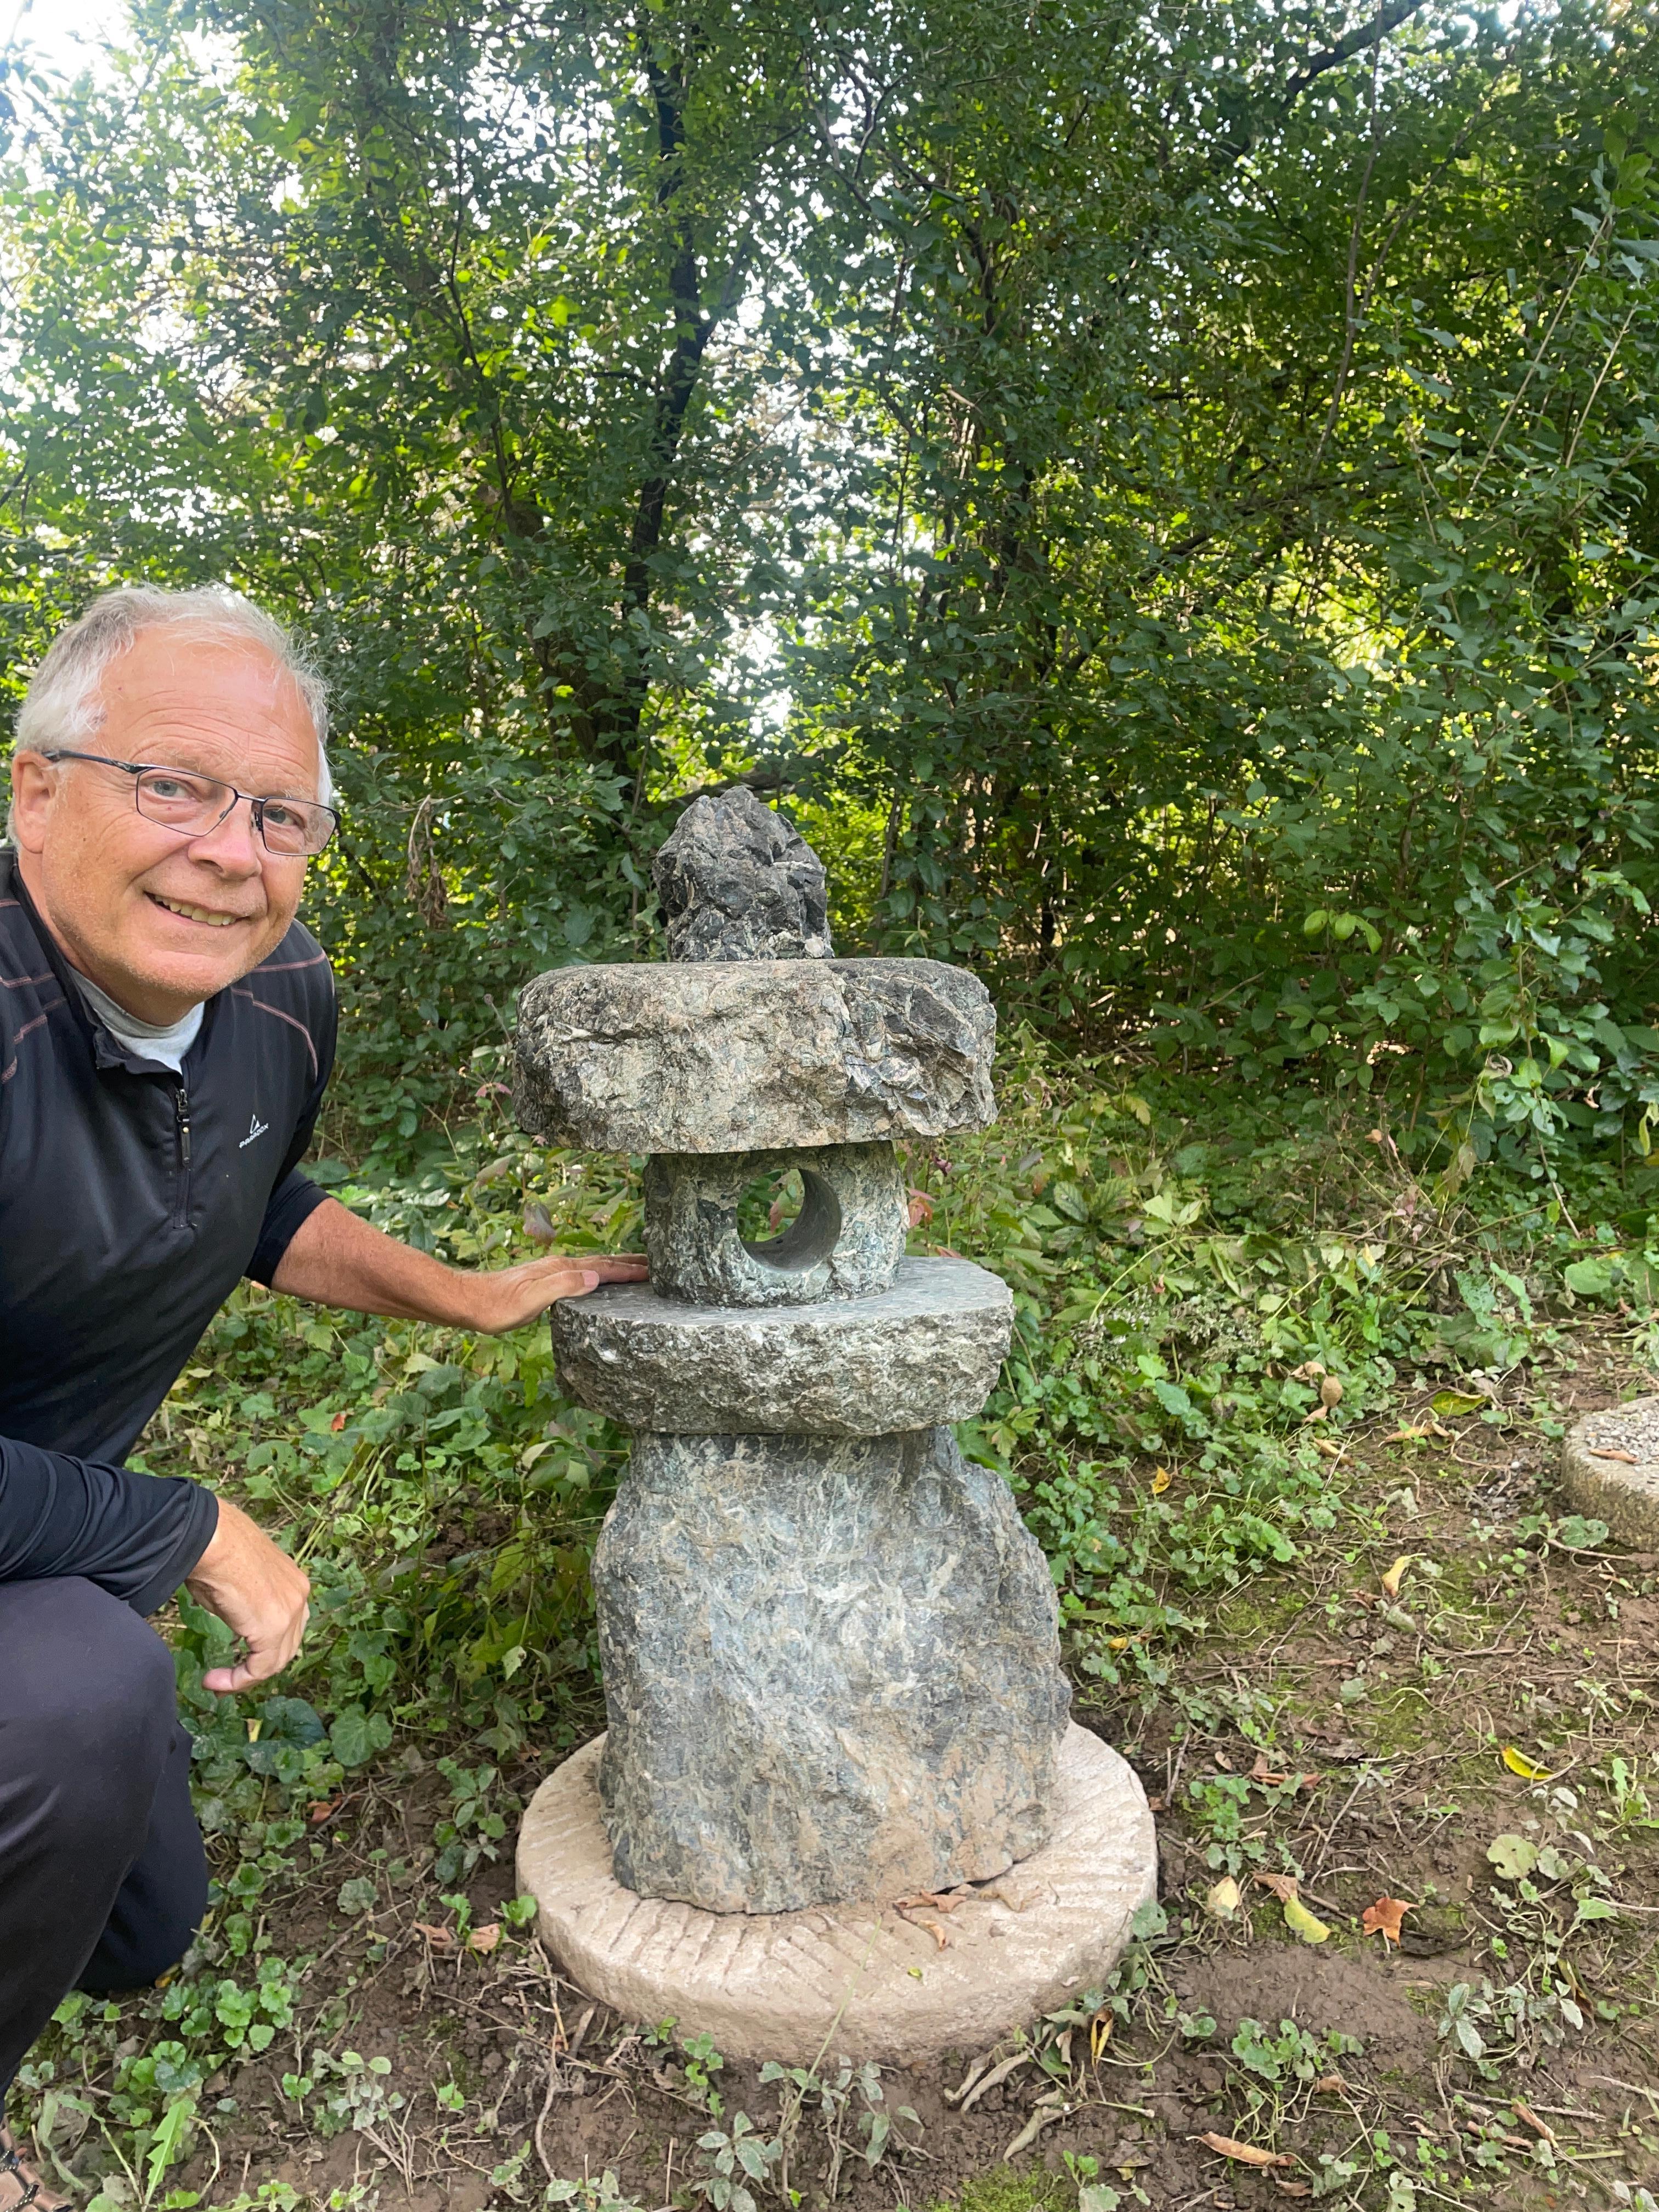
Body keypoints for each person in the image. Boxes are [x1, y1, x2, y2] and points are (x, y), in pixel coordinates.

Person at [0, 586, 646, 2210]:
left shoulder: (278, 997)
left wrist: (476, 1291)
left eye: (278, 811)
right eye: (170, 784)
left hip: (36, 1530)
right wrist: (185, 1524)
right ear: (34, 786)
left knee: (135, 1929)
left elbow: (253, 1198)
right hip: (55, 1582)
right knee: (76, 1697)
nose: (230, 848)